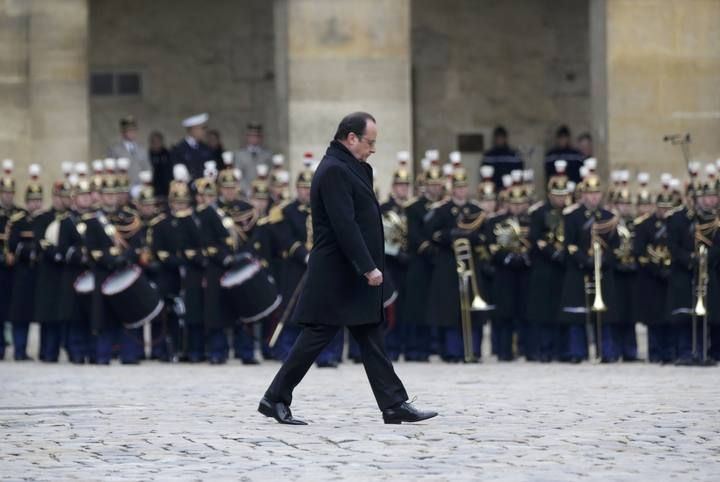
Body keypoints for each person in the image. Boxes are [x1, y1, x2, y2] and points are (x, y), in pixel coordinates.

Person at [258, 112, 437, 425]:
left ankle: (394, 403)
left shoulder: (355, 168)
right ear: (351, 138)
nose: (373, 148)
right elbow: (345, 225)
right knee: (315, 337)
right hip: (337, 273)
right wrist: (368, 267)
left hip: (351, 273)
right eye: (370, 141)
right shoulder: (333, 171)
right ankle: (275, 398)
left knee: (370, 334)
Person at [526, 161, 570, 362]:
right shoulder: (538, 212)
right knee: (543, 311)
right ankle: (543, 349)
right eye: (557, 195)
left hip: (564, 268)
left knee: (562, 311)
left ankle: (562, 350)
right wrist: (552, 252)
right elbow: (536, 238)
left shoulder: (571, 213)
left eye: (563, 195)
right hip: (544, 267)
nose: (560, 199)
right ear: (550, 194)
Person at [107, 115, 150, 185]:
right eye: (128, 131)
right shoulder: (115, 149)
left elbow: (147, 168)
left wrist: (143, 184)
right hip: (122, 186)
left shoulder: (142, 150)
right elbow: (111, 170)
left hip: (139, 186)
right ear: (123, 132)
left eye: (133, 130)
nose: (131, 133)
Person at [171, 113, 214, 180]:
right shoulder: (179, 149)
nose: (205, 131)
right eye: (203, 128)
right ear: (193, 129)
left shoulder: (206, 148)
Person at [481, 126, 524, 190]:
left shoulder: (514, 155)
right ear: (494, 139)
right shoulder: (489, 155)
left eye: (501, 138)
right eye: (498, 138)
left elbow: (520, 172)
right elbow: (484, 173)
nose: (499, 140)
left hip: (511, 189)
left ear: (505, 138)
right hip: (494, 189)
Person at [236, 122, 273, 195]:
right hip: (245, 193)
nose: (254, 139)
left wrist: (265, 187)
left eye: (257, 136)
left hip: (263, 192)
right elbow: (238, 175)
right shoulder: (240, 155)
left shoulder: (267, 154)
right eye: (251, 136)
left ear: (261, 138)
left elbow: (271, 173)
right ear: (247, 137)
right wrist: (247, 190)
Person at [149, 131, 173, 199]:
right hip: (153, 189)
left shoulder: (168, 155)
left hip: (167, 189)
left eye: (158, 141)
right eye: (154, 142)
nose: (156, 144)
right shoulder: (148, 155)